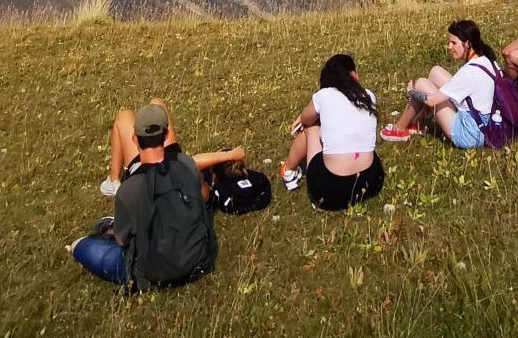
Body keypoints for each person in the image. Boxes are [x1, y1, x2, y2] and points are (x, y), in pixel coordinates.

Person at [70, 102, 219, 292]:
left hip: (155, 272)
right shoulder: (188, 164)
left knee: (81, 246)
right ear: (166, 136)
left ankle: (105, 221)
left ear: (134, 139)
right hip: (199, 258)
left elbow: (122, 241)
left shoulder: (129, 189)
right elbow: (203, 198)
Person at [279, 53, 385, 210]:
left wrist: (302, 119)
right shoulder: (368, 96)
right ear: (353, 74)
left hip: (331, 191)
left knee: (311, 127)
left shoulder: (325, 95)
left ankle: (289, 171)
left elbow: (306, 119)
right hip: (371, 182)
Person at [380, 20, 503, 149]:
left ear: (467, 44)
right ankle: (418, 123)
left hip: (470, 134)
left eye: (454, 43)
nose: (449, 47)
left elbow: (432, 101)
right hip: (486, 122)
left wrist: (410, 91)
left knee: (421, 84)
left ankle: (399, 129)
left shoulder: (469, 72)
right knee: (435, 72)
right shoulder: (486, 60)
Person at [99, 98, 245, 201]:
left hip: (145, 167)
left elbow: (194, 162)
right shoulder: (199, 190)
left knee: (124, 116)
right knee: (157, 104)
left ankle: (114, 182)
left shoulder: (187, 170)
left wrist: (229, 155)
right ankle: (114, 181)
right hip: (167, 158)